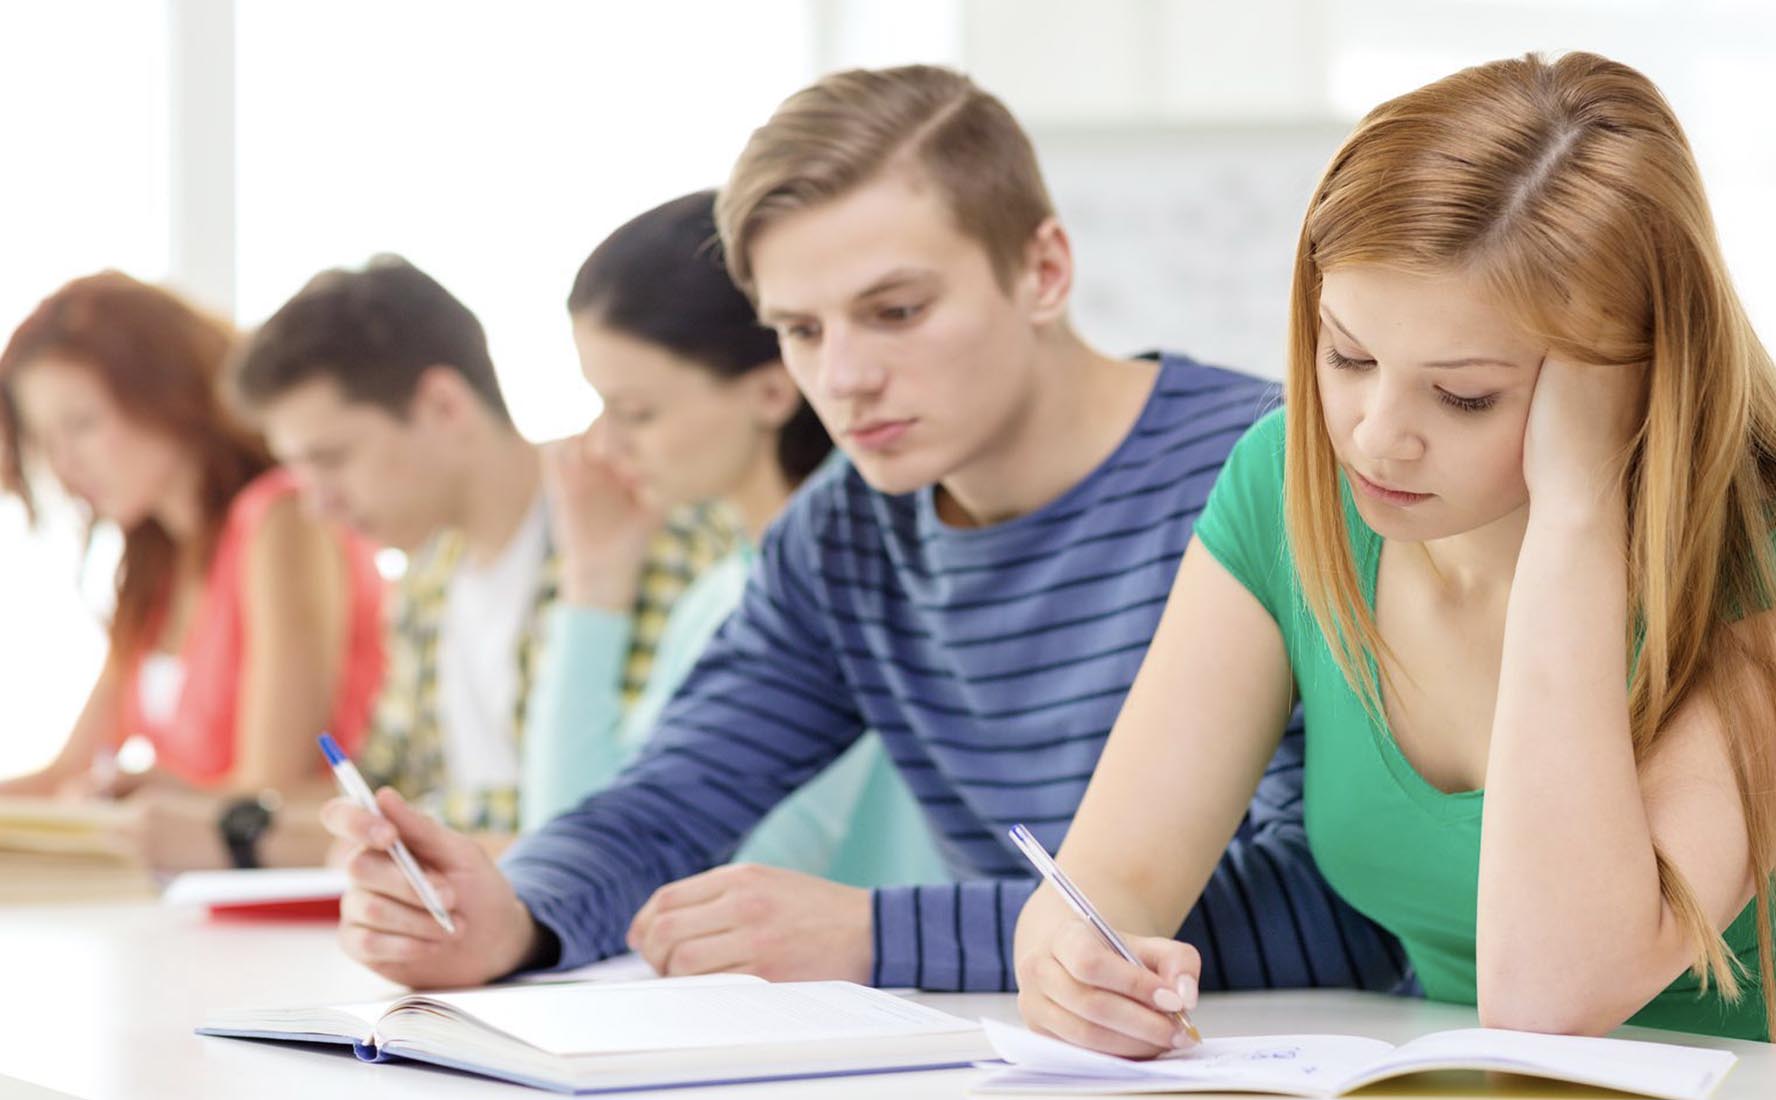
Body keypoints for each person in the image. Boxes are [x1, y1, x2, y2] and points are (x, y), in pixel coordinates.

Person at [318, 64, 1405, 996]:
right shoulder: (848, 531)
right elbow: (670, 798)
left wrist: (879, 934)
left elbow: (1341, 902)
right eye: (799, 328)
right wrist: (510, 914)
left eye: (896, 311)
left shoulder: (1271, 475)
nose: (841, 377)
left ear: (1044, 271)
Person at [1013, 51, 1776, 1058]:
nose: (1373, 435)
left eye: (1465, 395)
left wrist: (1576, 511)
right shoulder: (1287, 484)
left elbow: (1555, 990)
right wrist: (1072, 958)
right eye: (1347, 354)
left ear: (1634, 380)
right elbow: (1113, 878)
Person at [519, 188, 950, 888]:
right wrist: (595, 581)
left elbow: (693, 887)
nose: (604, 445)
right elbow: (571, 853)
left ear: (771, 392)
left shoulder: (854, 580)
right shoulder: (716, 594)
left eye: (636, 411)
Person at [230, 257, 733, 846]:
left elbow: (611, 806)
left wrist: (416, 825)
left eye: (333, 460)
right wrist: (238, 822)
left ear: (444, 404)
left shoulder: (636, 522)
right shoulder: (427, 578)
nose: (318, 505)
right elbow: (388, 788)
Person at [0, 272, 385, 871]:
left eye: (81, 424)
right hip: (197, 906)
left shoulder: (283, 521)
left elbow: (272, 787)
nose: (64, 464)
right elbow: (65, 775)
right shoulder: (155, 572)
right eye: (45, 440)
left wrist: (166, 797)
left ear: (166, 391)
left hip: (294, 894)